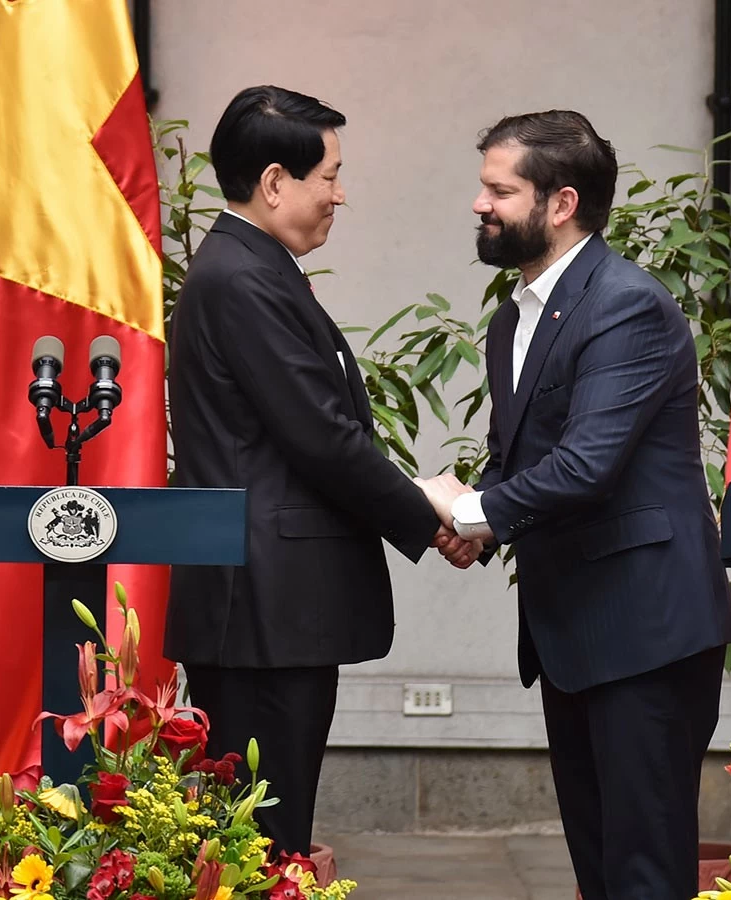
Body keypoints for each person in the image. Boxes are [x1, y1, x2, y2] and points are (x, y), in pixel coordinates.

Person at [422, 110, 731, 900]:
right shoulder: (513, 316)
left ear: (560, 204)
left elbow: (586, 465)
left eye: (499, 189)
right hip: (577, 632)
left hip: (645, 634)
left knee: (641, 873)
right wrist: (481, 529)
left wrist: (469, 513)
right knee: (599, 869)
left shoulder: (625, 303)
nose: (479, 204)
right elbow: (519, 458)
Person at [164, 85, 478, 857]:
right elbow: (321, 438)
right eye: (329, 175)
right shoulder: (242, 278)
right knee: (264, 837)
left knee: (270, 824)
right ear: (274, 183)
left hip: (270, 603)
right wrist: (422, 500)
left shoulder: (252, 268)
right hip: (262, 607)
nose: (342, 193)